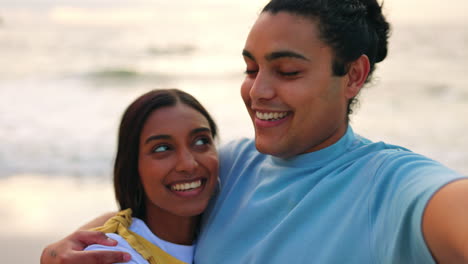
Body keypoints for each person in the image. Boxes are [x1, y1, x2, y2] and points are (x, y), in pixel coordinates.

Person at [41, 0, 468, 263]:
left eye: (286, 70)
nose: (257, 90)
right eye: (251, 68)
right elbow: (156, 200)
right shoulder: (235, 165)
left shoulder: (392, 187)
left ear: (353, 75)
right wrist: (65, 246)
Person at [81, 89, 219, 264]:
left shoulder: (231, 237)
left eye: (201, 141)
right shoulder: (114, 255)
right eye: (162, 148)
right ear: (133, 167)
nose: (188, 164)